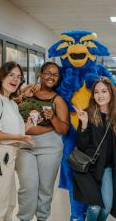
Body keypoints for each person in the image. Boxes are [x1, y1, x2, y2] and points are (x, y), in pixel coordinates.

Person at [0, 61, 34, 221]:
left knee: (9, 205)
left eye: (19, 77)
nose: (15, 79)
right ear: (2, 76)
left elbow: (10, 130)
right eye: (11, 75)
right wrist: (19, 137)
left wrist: (27, 127)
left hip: (9, 157)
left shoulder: (11, 102)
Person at [16, 62, 69, 221]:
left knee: (45, 188)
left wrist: (52, 117)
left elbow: (64, 130)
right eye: (47, 73)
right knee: (27, 187)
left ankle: (42, 218)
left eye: (55, 74)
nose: (51, 77)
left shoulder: (57, 100)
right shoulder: (28, 90)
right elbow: (13, 106)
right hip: (25, 145)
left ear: (58, 78)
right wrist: (23, 97)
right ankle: (24, 218)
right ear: (40, 74)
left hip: (50, 147)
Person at [73, 77, 116, 221]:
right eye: (96, 92)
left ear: (111, 93)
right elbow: (81, 145)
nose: (100, 95)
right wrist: (83, 124)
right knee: (94, 206)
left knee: (106, 207)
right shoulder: (87, 113)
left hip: (106, 166)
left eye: (104, 91)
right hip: (87, 167)